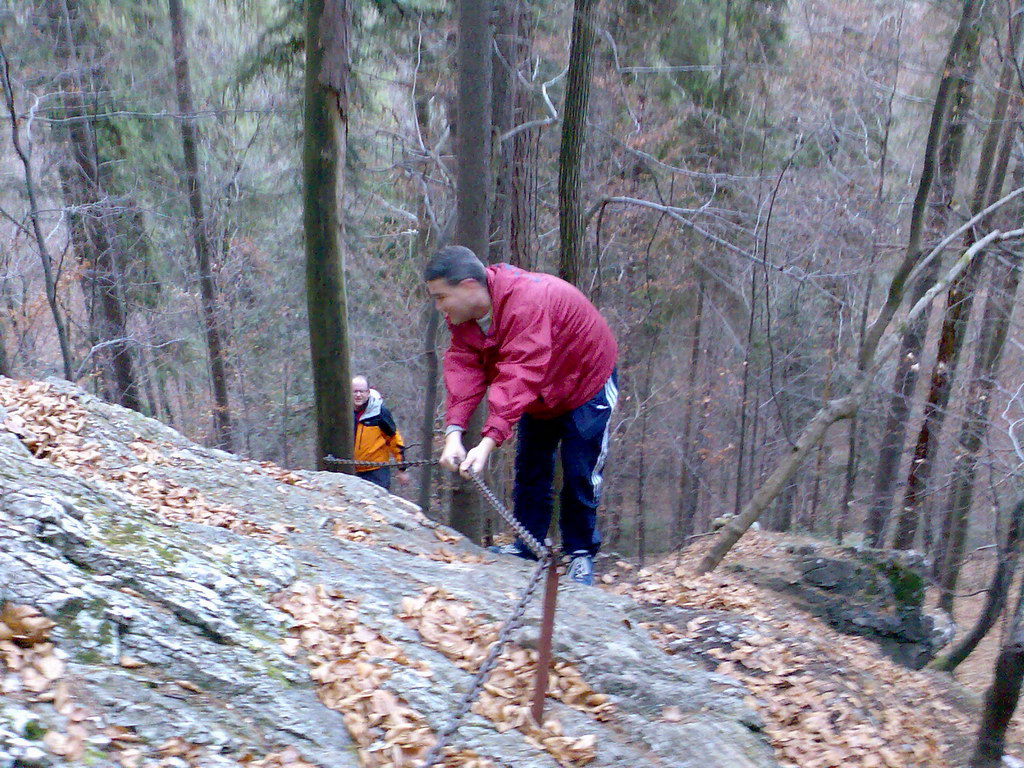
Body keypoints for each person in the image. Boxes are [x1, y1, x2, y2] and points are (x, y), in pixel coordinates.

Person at [425, 245, 618, 586]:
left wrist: (486, 445)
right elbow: (464, 368)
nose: (439, 307)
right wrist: (454, 432)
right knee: (530, 467)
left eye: (441, 297)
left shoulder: (526, 300)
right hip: (541, 394)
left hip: (587, 384)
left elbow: (519, 371)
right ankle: (528, 545)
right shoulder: (466, 321)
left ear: (469, 286)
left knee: (579, 472)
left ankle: (581, 553)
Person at [352, 376, 409, 491]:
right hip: (351, 470)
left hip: (377, 471)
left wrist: (402, 468)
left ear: (368, 392)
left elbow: (394, 440)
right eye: (355, 391)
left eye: (361, 391)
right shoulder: (343, 412)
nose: (358, 395)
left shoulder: (379, 412)